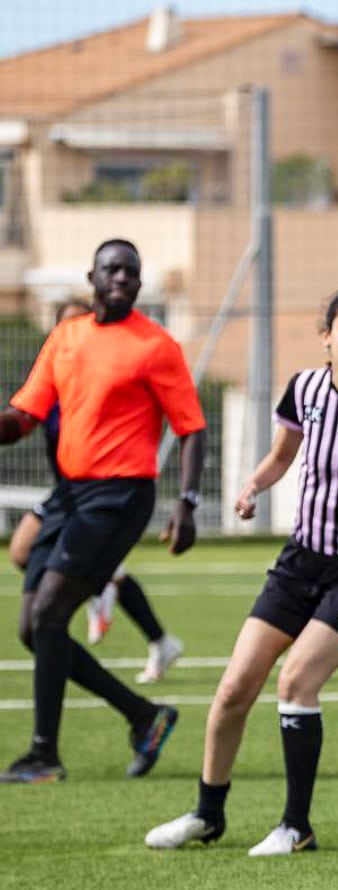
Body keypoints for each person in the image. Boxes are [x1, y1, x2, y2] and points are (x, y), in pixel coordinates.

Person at [144, 288, 338, 856]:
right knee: (236, 685)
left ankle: (296, 826)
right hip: (300, 560)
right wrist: (252, 487)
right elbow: (283, 455)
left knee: (295, 682)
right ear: (327, 337)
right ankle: (206, 814)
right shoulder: (304, 389)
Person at [0, 241, 205, 783]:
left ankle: (44, 754)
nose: (122, 277)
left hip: (119, 496)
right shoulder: (66, 337)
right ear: (92, 276)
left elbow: (191, 430)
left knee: (47, 615)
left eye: (132, 272)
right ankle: (144, 715)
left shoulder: (157, 346)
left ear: (139, 284)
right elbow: (24, 414)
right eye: (112, 268)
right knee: (33, 628)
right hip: (68, 495)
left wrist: (187, 502)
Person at [6, 299, 185, 684]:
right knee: (23, 551)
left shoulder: (103, 379)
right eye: (66, 327)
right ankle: (144, 626)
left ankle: (138, 625)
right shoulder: (52, 378)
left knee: (49, 600)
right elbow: (20, 420)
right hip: (67, 494)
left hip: (103, 495)